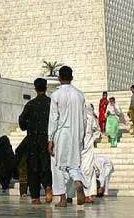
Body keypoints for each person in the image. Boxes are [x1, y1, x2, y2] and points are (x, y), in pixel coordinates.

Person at [47, 65, 87, 208]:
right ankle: (77, 181)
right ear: (72, 77)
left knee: (58, 165)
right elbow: (84, 119)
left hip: (61, 134)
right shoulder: (80, 95)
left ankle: (63, 198)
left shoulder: (56, 95)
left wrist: (50, 139)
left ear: (59, 78)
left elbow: (53, 119)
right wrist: (81, 138)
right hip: (76, 134)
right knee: (74, 164)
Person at [18, 78, 53, 204]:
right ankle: (48, 186)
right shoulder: (51, 103)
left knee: (33, 167)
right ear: (46, 87)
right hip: (46, 138)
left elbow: (22, 121)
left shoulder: (30, 104)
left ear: (35, 88)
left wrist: (28, 125)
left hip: (33, 139)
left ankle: (36, 197)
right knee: (46, 164)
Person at [81, 104, 101, 203]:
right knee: (80, 170)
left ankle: (89, 194)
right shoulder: (76, 117)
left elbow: (97, 130)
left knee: (88, 170)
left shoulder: (90, 118)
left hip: (88, 148)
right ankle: (81, 194)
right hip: (78, 148)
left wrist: (92, 139)